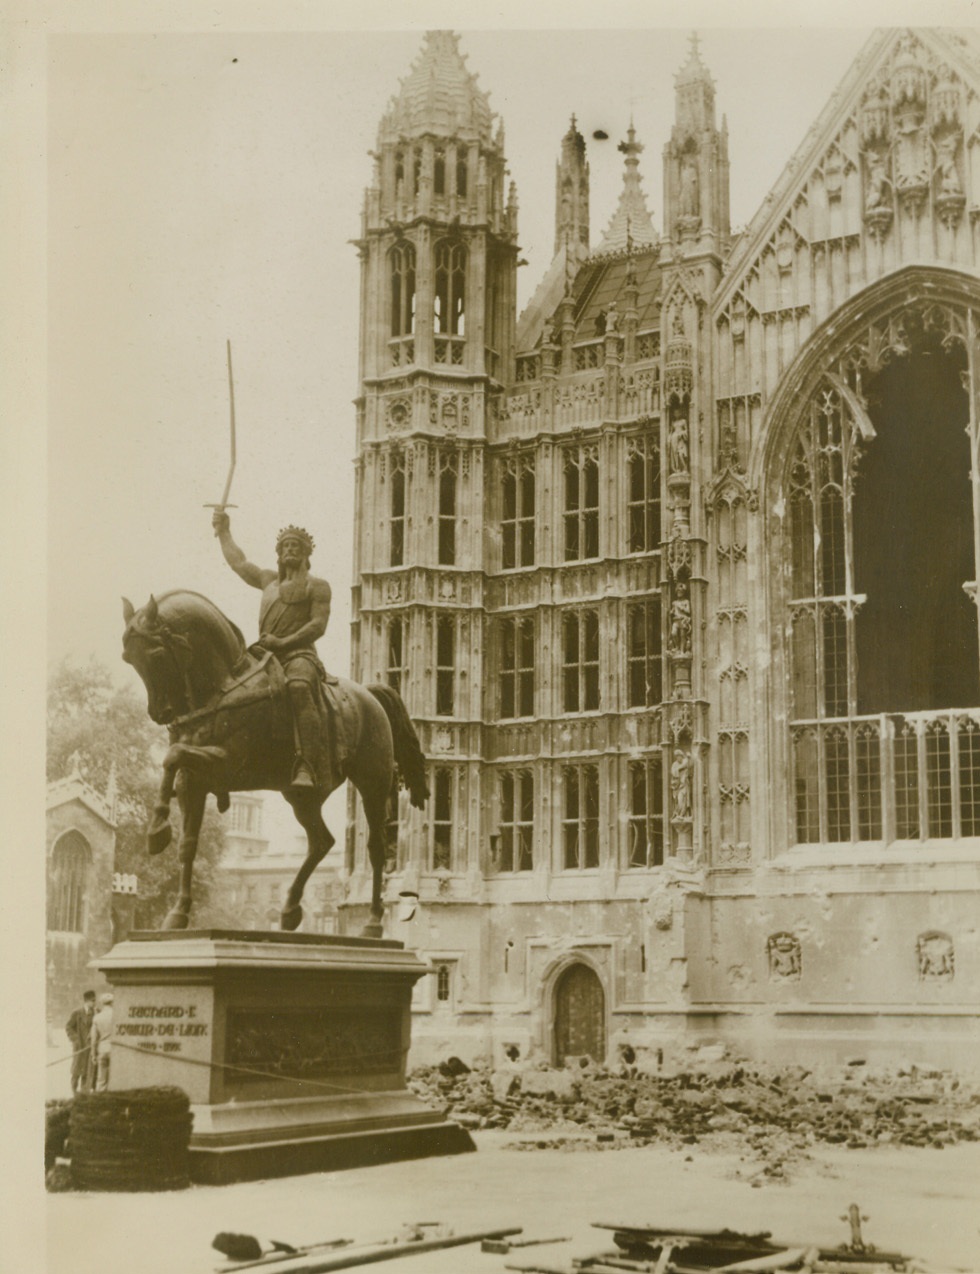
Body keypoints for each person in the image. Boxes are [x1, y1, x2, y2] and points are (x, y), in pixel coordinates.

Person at [212, 511, 332, 790]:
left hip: (299, 655)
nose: (289, 550)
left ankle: (306, 764)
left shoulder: (317, 586)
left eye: (295, 546)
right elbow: (239, 563)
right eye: (285, 546)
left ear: (305, 553)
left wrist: (284, 643)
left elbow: (318, 625)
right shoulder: (268, 581)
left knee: (300, 687)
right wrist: (224, 533)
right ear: (279, 552)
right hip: (263, 656)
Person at [65, 990, 96, 1094]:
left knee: (87, 1072)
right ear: (86, 1001)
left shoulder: (95, 1013)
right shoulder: (77, 1013)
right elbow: (69, 1027)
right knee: (76, 1071)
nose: (94, 1003)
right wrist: (75, 1039)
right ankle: (73, 1091)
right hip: (79, 1047)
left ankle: (83, 1094)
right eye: (92, 1000)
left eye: (94, 1000)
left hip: (89, 1048)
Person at [90, 993, 114, 1093]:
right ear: (112, 1002)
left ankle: (100, 1101)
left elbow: (93, 1038)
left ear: (102, 1003)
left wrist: (93, 1054)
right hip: (115, 1048)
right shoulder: (117, 1015)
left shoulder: (97, 1017)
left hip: (103, 1048)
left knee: (101, 1079)